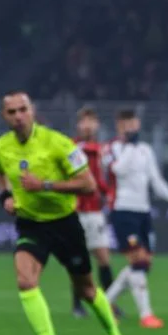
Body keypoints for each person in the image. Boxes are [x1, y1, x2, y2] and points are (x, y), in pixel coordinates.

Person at [0, 91, 132, 335]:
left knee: (88, 291)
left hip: (65, 224)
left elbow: (88, 184)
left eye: (22, 110)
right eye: (11, 112)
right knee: (25, 280)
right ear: (4, 116)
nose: (18, 116)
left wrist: (44, 185)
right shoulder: (0, 147)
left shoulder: (58, 143)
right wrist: (5, 195)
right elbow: (0, 173)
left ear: (32, 111)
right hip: (31, 224)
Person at [104, 109, 168, 329]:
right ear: (119, 126)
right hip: (122, 210)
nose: (131, 128)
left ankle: (106, 302)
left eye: (134, 124)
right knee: (137, 261)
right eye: (126, 124)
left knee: (145, 264)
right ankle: (146, 315)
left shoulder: (145, 150)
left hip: (143, 212)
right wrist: (129, 146)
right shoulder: (112, 148)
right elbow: (117, 170)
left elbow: (155, 179)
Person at [70, 106, 118, 318]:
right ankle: (77, 305)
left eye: (92, 121)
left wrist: (108, 194)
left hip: (95, 210)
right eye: (84, 121)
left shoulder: (101, 150)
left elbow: (101, 179)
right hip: (76, 210)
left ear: (97, 125)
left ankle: (110, 303)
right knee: (78, 258)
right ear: (78, 125)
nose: (88, 125)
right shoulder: (72, 147)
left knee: (104, 259)